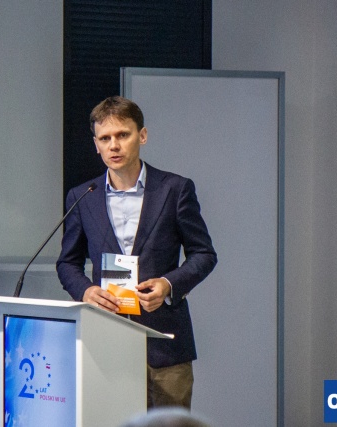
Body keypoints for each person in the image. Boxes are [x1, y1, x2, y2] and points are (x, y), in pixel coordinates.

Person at [56, 96, 217, 408]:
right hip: (107, 343)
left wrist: (168, 285)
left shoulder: (175, 189)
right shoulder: (82, 196)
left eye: (123, 135)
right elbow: (67, 263)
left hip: (165, 345)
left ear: (142, 136)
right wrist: (85, 291)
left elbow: (204, 254)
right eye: (105, 138)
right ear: (96, 145)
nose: (114, 145)